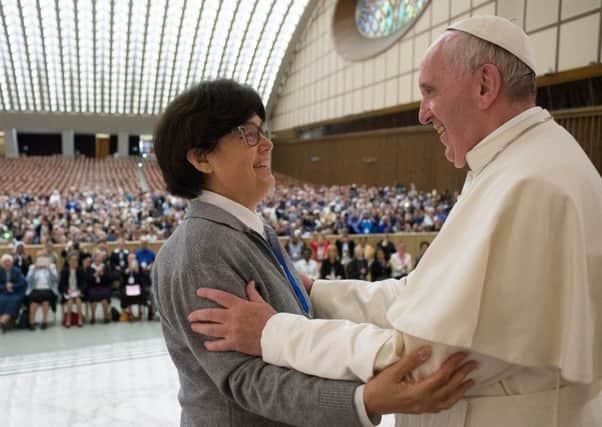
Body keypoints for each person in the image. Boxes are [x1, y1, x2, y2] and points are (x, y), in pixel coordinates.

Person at [189, 16, 602, 427]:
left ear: (484, 85)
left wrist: (273, 333)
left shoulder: (529, 183)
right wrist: (318, 293)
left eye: (430, 92)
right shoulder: (518, 165)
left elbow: (422, 363)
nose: (423, 114)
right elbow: (419, 300)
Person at [152, 79, 475, 427]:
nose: (267, 144)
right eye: (248, 134)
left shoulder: (246, 232)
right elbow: (247, 379)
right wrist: (360, 401)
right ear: (202, 158)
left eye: (264, 132)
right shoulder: (204, 247)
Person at [26, 252, 59, 330]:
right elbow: (28, 280)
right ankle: (32, 322)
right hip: (35, 289)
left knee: (45, 301)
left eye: (43, 257)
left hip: (48, 289)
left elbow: (55, 279)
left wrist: (49, 270)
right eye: (39, 257)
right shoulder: (32, 267)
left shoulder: (52, 266)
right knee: (33, 303)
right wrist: (34, 270)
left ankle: (44, 321)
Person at [58, 252, 87, 327]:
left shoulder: (80, 270)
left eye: (76, 260)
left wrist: (80, 290)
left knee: (78, 300)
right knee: (70, 300)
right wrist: (67, 290)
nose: (75, 262)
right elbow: (61, 285)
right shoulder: (64, 271)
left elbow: (84, 283)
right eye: (73, 260)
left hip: (78, 291)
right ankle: (68, 320)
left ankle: (80, 319)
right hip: (68, 291)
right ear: (69, 261)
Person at [0, 254, 27, 333]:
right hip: (3, 292)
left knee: (14, 301)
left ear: (11, 263)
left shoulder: (17, 271)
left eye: (9, 262)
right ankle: (3, 322)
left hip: (16, 292)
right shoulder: (0, 271)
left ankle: (3, 322)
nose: (7, 264)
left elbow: (23, 283)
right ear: (2, 263)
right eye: (5, 262)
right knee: (1, 300)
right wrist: (5, 286)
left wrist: (13, 286)